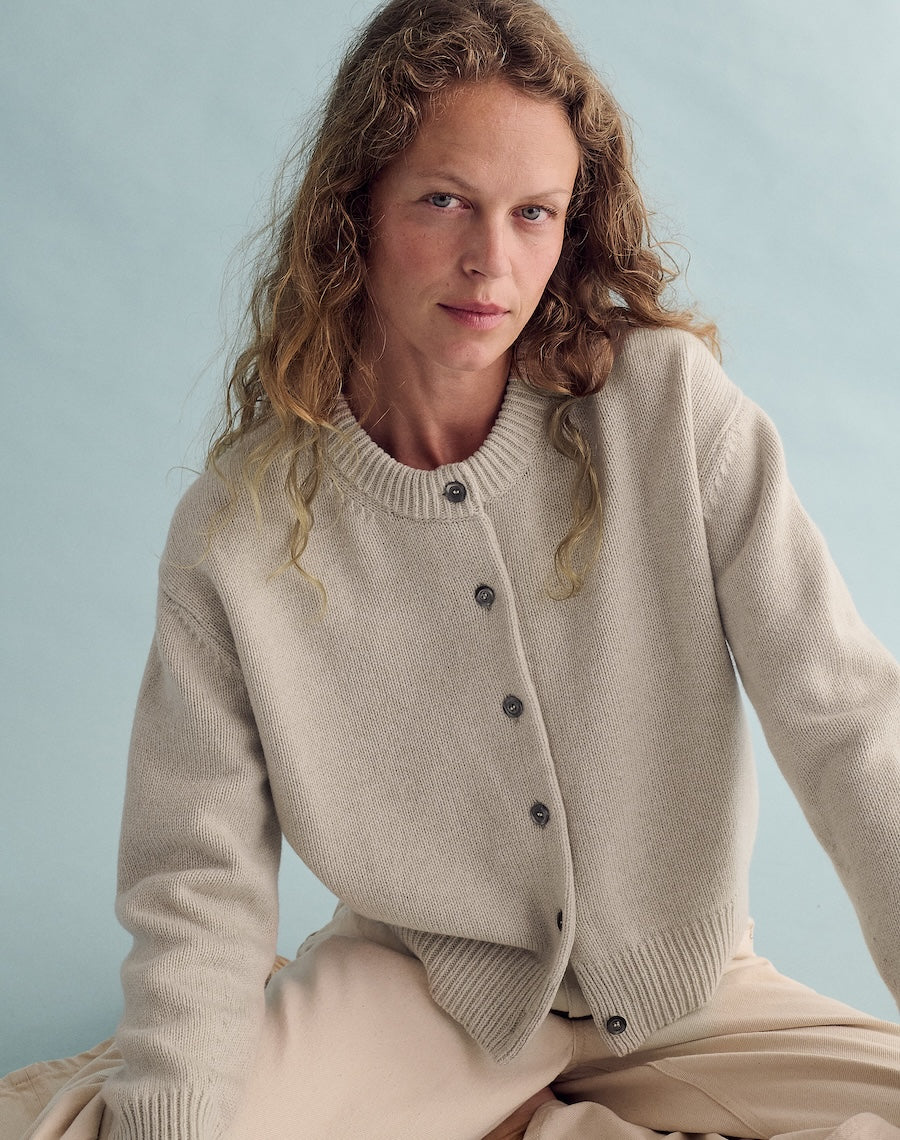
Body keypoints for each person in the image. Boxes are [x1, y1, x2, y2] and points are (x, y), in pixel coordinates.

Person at [2, 0, 899, 1137]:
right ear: (354, 213)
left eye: (534, 214)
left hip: (688, 988)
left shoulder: (667, 412)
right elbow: (199, 876)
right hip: (423, 989)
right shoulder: (238, 531)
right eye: (444, 202)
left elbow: (851, 725)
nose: (492, 260)